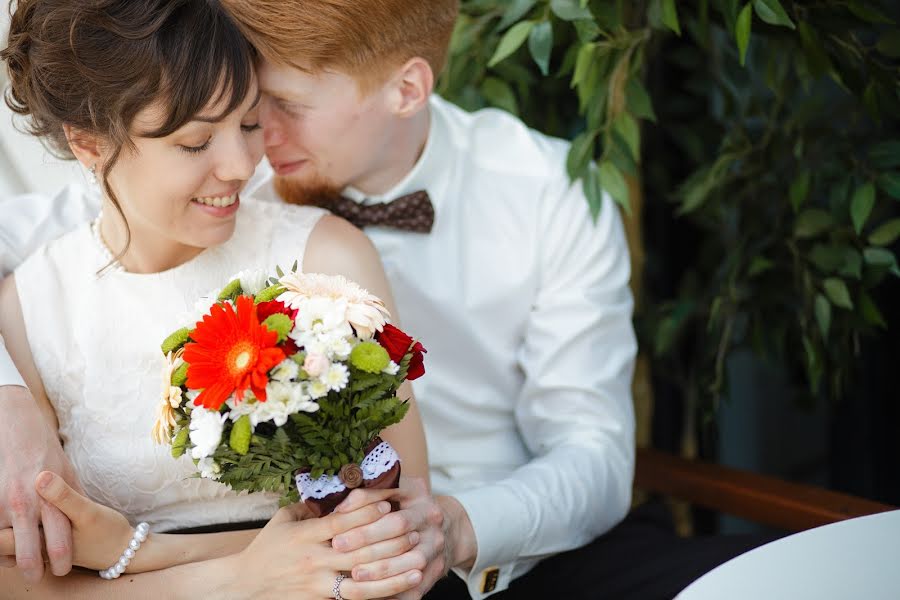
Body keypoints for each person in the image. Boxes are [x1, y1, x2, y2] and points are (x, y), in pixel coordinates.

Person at [1, 0, 766, 598]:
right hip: (319, 560)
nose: (251, 147)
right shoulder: (209, 185)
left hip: (520, 547)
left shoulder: (550, 192)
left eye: (272, 107)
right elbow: (74, 255)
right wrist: (8, 395)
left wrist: (460, 527)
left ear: (406, 88)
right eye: (233, 113)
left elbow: (592, 454)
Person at [0, 0, 429, 597]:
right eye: (196, 143)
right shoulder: (31, 312)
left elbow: (399, 520)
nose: (239, 166)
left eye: (249, 124)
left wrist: (131, 550)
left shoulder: (325, 258)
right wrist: (239, 576)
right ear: (88, 144)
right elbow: (22, 583)